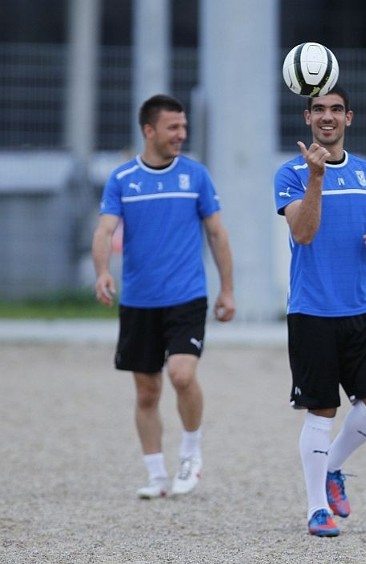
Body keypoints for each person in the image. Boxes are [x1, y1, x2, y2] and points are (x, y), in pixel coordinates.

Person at [92, 94, 235, 499]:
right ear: (149, 130)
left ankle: (191, 454)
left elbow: (217, 233)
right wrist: (102, 272)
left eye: (184, 127)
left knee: (181, 375)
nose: (181, 134)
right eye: (173, 127)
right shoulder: (122, 180)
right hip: (139, 300)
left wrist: (227, 289)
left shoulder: (196, 176)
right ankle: (156, 475)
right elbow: (104, 231)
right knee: (147, 390)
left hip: (187, 296)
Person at [274, 85, 366, 537]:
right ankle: (316, 509)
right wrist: (316, 178)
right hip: (312, 311)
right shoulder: (290, 173)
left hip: (362, 310)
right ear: (307, 118)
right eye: (319, 110)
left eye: (336, 110)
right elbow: (303, 234)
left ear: (350, 117)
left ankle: (333, 469)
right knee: (321, 411)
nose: (328, 117)